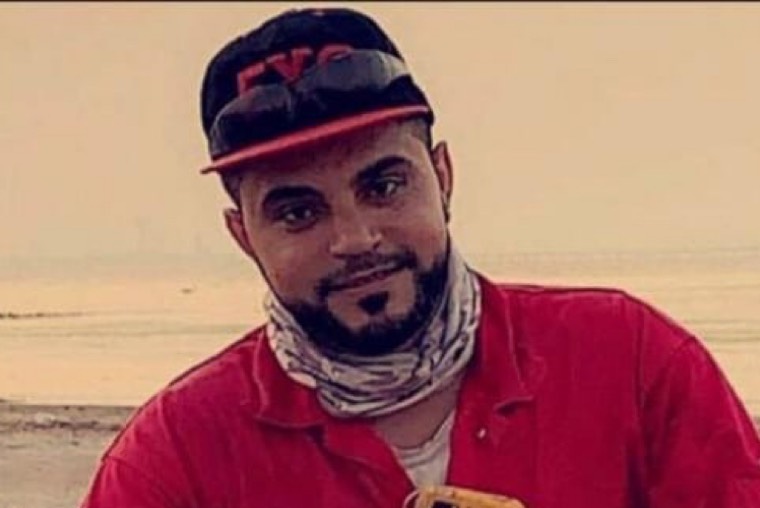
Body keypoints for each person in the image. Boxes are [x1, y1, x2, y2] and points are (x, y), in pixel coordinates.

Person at [80, 7, 760, 508]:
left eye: (383, 186)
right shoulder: (174, 457)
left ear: (442, 176)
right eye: (297, 212)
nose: (354, 238)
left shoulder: (633, 362)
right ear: (243, 236)